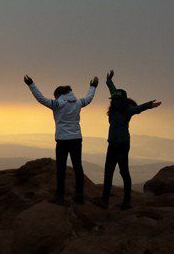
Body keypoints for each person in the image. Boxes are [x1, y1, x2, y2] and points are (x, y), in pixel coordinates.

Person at [24, 75, 98, 205]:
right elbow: (89, 98)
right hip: (76, 139)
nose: (55, 98)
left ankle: (60, 197)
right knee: (78, 167)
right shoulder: (78, 102)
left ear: (59, 94)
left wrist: (31, 84)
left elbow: (40, 99)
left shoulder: (57, 104)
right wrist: (93, 86)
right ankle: (79, 196)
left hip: (62, 140)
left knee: (61, 168)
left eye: (55, 95)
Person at [94, 70, 161, 210]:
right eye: (114, 99)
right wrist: (109, 80)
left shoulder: (127, 110)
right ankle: (105, 201)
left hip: (122, 145)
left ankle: (126, 202)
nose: (115, 101)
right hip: (113, 143)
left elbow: (138, 109)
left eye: (117, 100)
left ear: (122, 101)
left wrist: (149, 105)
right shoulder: (115, 106)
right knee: (109, 172)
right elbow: (114, 91)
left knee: (123, 172)